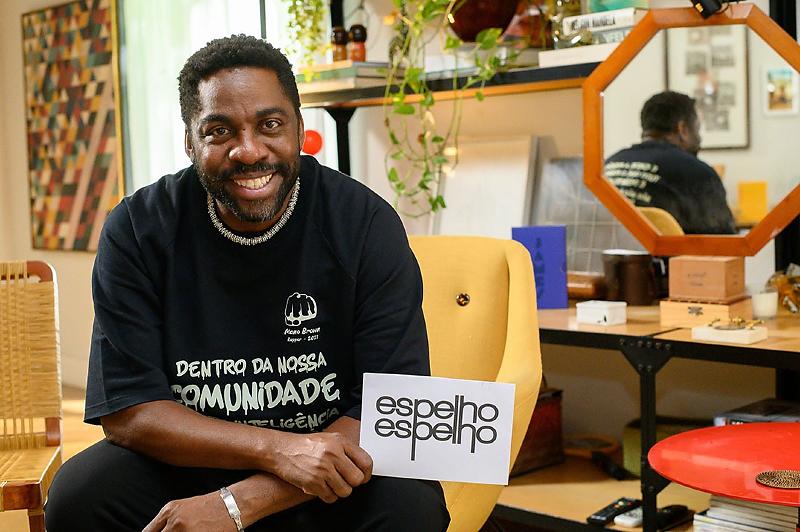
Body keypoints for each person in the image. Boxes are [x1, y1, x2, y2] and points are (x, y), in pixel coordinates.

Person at [44, 34, 450, 532]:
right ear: (190, 142)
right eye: (219, 131)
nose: (249, 150)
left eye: (270, 125)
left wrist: (240, 504)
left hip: (330, 471)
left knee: (411, 507)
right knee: (80, 496)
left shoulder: (364, 225)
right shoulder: (137, 229)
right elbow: (130, 412)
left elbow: (390, 411)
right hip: (195, 460)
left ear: (299, 129)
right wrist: (277, 451)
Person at [605, 91, 737, 235]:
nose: (699, 138)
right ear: (683, 129)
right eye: (697, 129)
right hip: (667, 251)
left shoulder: (607, 166)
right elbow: (723, 242)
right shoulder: (696, 173)